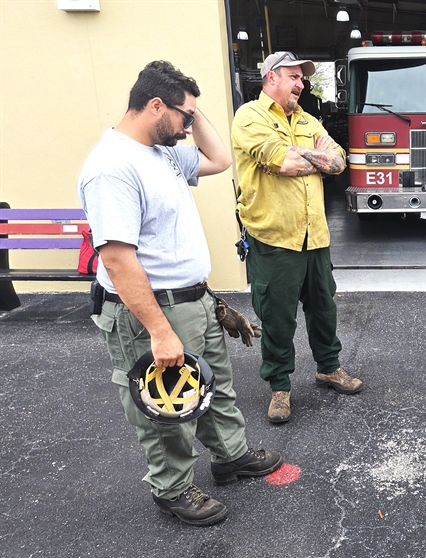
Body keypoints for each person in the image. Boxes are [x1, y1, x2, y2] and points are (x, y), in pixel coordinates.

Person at [78, 61, 283, 527]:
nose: (190, 126)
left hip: (194, 300)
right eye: (183, 117)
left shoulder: (162, 151)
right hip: (154, 311)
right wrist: (159, 331)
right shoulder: (112, 167)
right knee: (167, 407)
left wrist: (192, 106)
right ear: (154, 106)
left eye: (191, 117)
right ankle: (171, 490)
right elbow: (117, 259)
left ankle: (230, 457)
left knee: (214, 388)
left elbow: (220, 159)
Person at [231, 51, 361, 424]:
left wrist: (302, 156)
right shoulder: (250, 117)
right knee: (277, 317)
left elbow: (339, 162)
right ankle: (280, 387)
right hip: (273, 239)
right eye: (294, 77)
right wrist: (311, 157)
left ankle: (328, 367)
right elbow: (281, 161)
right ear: (271, 78)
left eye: (302, 78)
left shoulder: (307, 119)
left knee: (323, 307)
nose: (301, 83)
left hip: (314, 237)